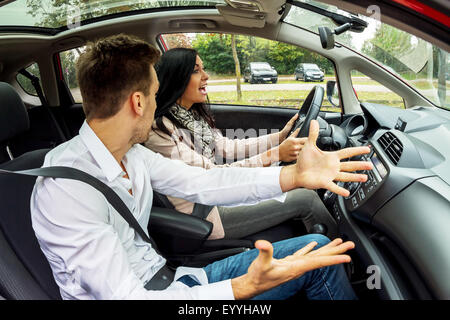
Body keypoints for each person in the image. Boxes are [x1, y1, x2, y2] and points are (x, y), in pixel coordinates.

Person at [31, 34, 373, 300]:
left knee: (312, 251)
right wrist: (241, 289)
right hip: (161, 293)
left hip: (176, 279)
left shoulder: (131, 155)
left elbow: (207, 183)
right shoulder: (67, 191)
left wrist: (293, 176)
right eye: (153, 95)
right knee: (313, 264)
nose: (156, 104)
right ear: (138, 102)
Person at [145, 48, 338, 240]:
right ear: (176, 78)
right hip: (204, 214)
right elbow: (212, 177)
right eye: (196, 71)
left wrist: (278, 138)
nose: (206, 76)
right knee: (307, 199)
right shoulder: (161, 131)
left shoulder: (190, 116)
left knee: (298, 186)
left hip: (218, 194)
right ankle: (346, 257)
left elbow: (226, 147)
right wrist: (275, 154)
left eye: (203, 69)